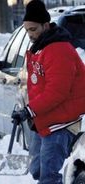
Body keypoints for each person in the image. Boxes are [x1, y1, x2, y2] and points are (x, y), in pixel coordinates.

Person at [11, 1, 85, 183]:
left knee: (48, 176)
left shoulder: (59, 50)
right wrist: (27, 111)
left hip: (61, 122)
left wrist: (30, 110)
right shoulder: (40, 47)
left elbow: (57, 92)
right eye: (27, 30)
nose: (30, 35)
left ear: (46, 25)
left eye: (33, 29)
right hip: (44, 118)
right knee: (36, 170)